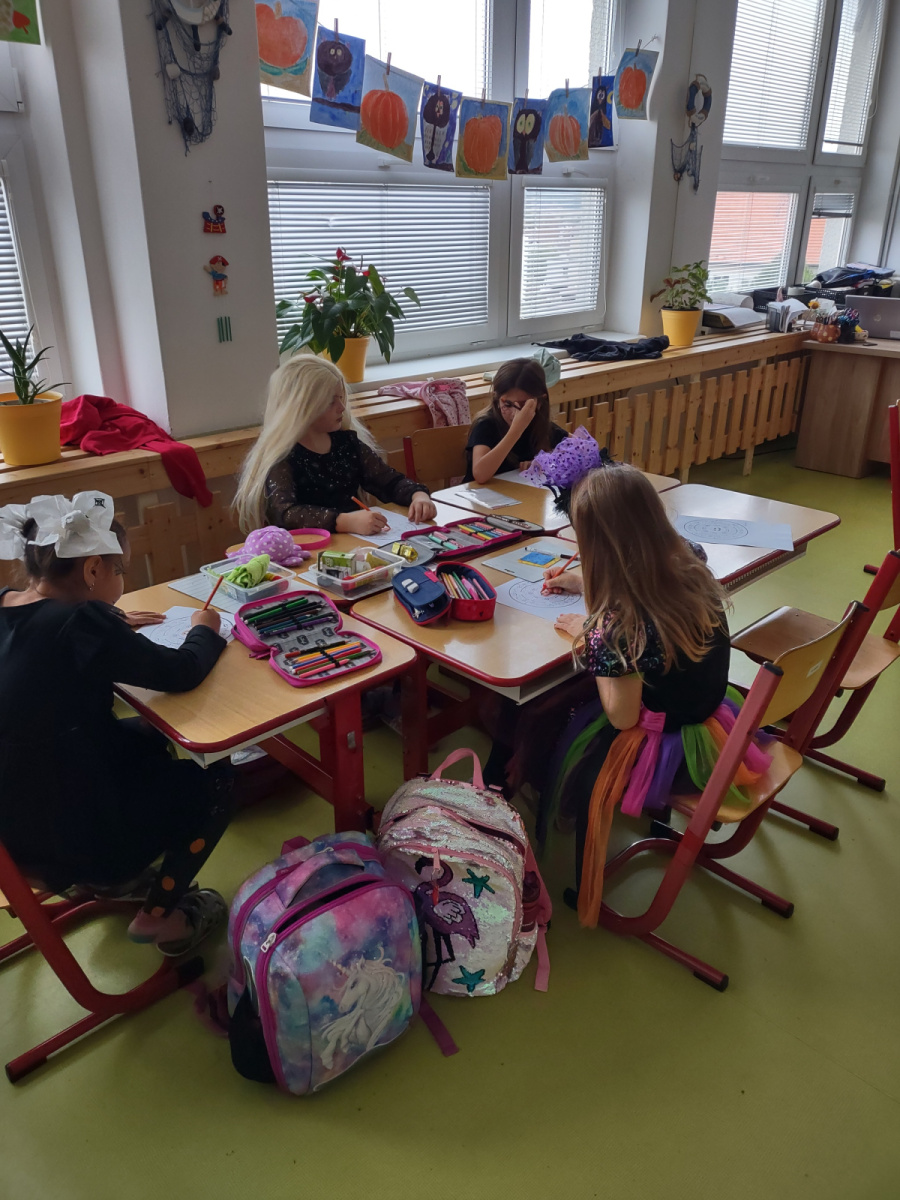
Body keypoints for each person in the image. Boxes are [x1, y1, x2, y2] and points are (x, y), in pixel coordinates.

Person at [0, 492, 235, 956]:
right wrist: (205, 629)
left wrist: (110, 624)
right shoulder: (81, 625)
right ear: (92, 570)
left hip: (16, 826)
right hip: (69, 837)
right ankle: (161, 915)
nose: (121, 580)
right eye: (119, 569)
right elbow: (181, 672)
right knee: (219, 777)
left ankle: (118, 874)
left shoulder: (9, 603)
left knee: (147, 735)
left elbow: (42, 649)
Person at [536, 464, 771, 928]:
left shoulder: (619, 627)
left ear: (597, 546)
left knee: (558, 718)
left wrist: (591, 640)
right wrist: (584, 585)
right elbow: (641, 580)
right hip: (712, 716)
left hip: (663, 742)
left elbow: (622, 718)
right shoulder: (691, 560)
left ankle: (573, 837)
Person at [234, 355, 437, 537]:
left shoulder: (346, 443)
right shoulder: (283, 456)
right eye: (330, 402)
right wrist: (344, 521)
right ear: (302, 407)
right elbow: (285, 513)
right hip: (309, 552)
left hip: (353, 545)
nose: (341, 407)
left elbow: (389, 482)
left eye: (341, 398)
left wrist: (418, 496)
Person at [464, 357, 568, 484]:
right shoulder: (485, 424)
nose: (515, 414)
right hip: (480, 495)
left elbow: (583, 449)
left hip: (520, 493)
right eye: (507, 404)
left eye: (524, 405)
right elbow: (480, 474)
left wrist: (545, 461)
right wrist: (517, 429)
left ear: (539, 402)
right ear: (496, 399)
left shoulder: (539, 423)